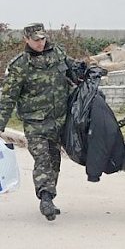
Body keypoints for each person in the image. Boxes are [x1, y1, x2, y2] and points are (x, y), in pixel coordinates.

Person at [0, 23, 88, 220]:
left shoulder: (57, 53)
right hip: (35, 123)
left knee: (54, 161)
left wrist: (86, 71)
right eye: (36, 40)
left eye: (42, 38)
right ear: (26, 40)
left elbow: (72, 71)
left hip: (60, 120)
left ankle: (49, 196)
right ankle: (45, 197)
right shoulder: (20, 65)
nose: (41, 43)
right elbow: (7, 97)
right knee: (43, 159)